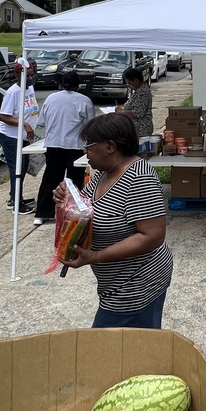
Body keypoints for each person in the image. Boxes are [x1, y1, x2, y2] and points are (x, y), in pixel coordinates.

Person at [54, 113, 173, 328]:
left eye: (89, 145)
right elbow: (87, 208)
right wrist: (66, 198)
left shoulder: (138, 179)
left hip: (136, 284)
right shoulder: (103, 173)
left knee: (114, 350)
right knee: (126, 350)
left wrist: (96, 256)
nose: (85, 151)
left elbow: (153, 235)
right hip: (114, 282)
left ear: (110, 146)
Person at [35, 71, 95, 226]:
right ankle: (73, 212)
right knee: (74, 180)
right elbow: (91, 126)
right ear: (78, 85)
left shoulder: (51, 98)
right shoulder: (84, 101)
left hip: (53, 144)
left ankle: (42, 212)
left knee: (51, 178)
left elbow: (41, 121)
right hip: (74, 145)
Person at [0, 57, 41, 213]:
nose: (30, 79)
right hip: (11, 137)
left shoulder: (29, 89)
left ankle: (16, 196)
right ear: (17, 76)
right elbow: (4, 116)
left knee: (23, 168)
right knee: (17, 169)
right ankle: (16, 203)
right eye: (27, 76)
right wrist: (24, 123)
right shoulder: (13, 93)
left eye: (31, 75)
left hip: (24, 137)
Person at [115, 67, 153, 137]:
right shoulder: (138, 91)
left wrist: (121, 111)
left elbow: (137, 113)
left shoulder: (143, 92)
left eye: (129, 83)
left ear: (136, 80)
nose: (129, 86)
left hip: (141, 130)